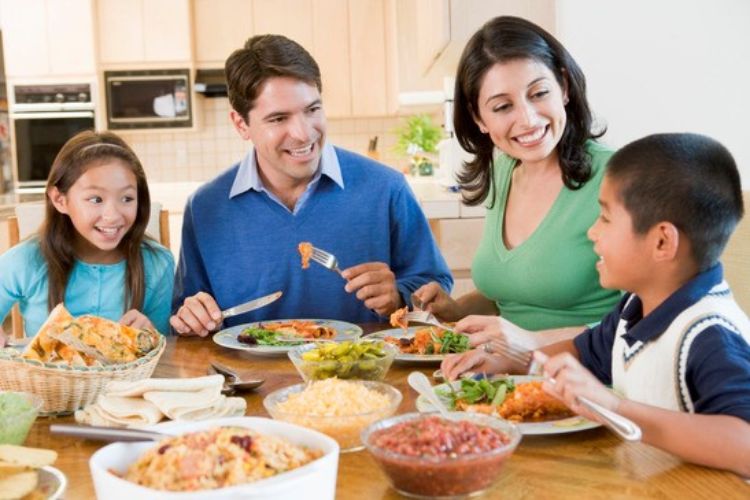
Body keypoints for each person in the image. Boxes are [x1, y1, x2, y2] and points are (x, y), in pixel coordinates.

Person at [447, 133, 750, 475]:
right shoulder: (634, 308)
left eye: (605, 218)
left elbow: (744, 443)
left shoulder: (709, 334)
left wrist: (612, 405)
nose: (592, 232)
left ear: (662, 241)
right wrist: (509, 361)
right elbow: (580, 353)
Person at [170, 34, 451, 337]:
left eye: (312, 110)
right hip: (247, 381)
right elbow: (185, 317)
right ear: (241, 125)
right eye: (278, 118)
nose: (303, 134)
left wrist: (398, 296)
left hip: (361, 378)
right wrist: (191, 319)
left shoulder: (386, 189)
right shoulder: (205, 208)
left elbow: (435, 287)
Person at [413, 16, 621, 357]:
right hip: (510, 374)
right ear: (479, 117)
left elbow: (650, 324)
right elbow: (515, 300)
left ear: (564, 88)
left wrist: (535, 342)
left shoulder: (617, 176)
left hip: (592, 381)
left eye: (539, 93)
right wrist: (456, 309)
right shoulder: (504, 169)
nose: (527, 119)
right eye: (502, 106)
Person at [0, 131, 175, 345]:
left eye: (127, 198)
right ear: (59, 199)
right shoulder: (26, 260)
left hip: (131, 378)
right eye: (96, 199)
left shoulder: (157, 262)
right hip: (47, 379)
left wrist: (151, 336)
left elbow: (166, 349)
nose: (112, 215)